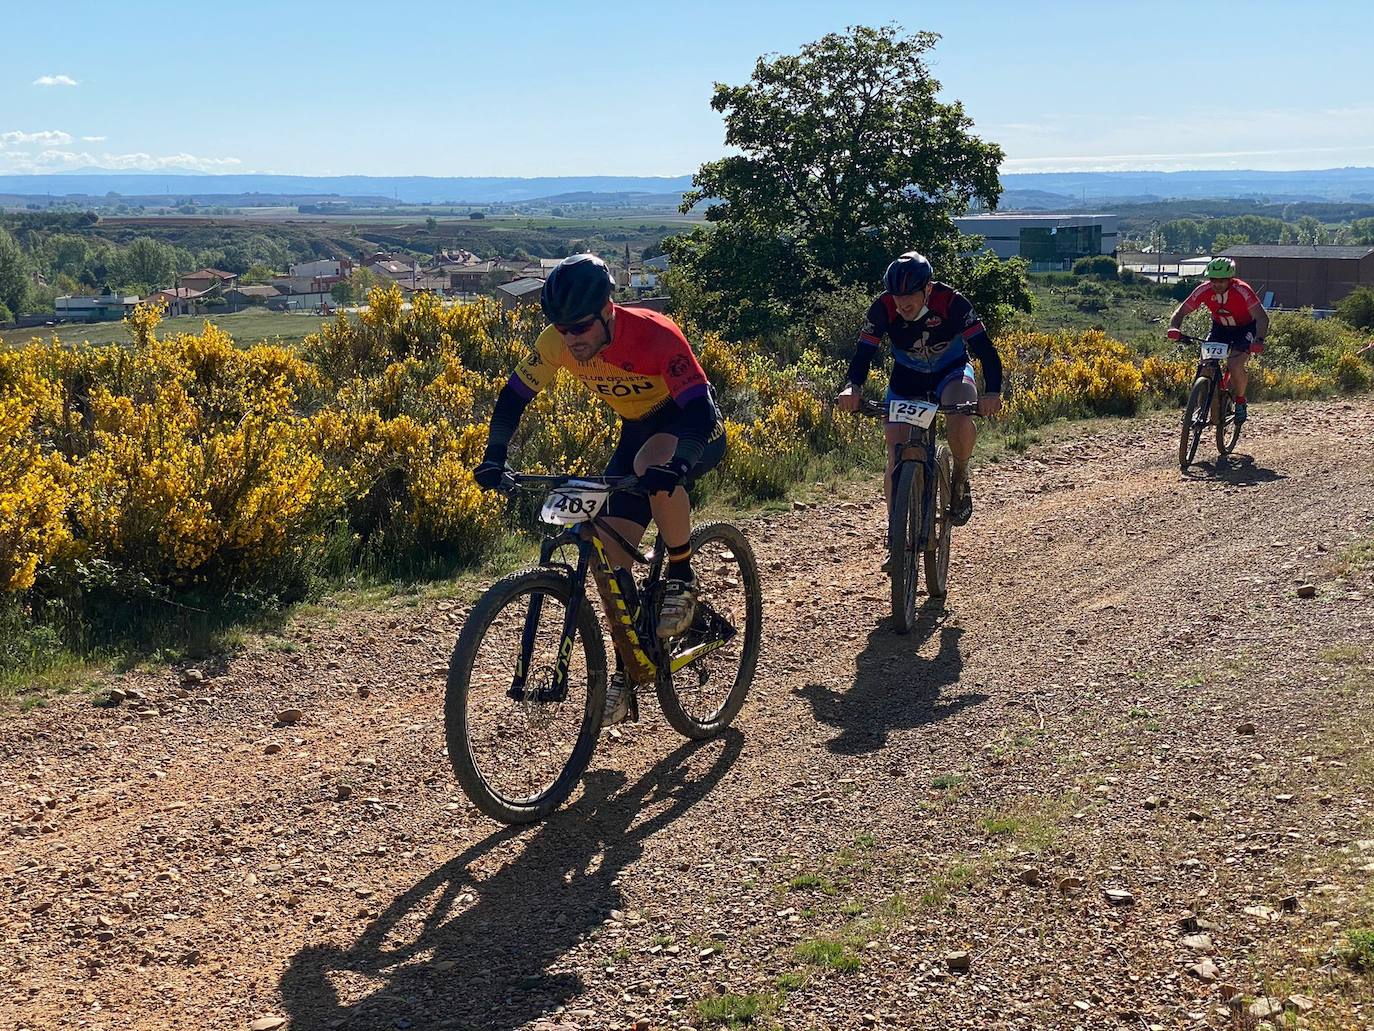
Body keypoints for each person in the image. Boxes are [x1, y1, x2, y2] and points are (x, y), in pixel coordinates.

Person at [473, 253, 726, 725]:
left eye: (581, 327)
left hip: (691, 427)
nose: (573, 338)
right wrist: (495, 455)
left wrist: (680, 463)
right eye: (563, 328)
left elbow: (700, 410)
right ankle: (631, 667)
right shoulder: (557, 342)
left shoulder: (655, 335)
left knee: (653, 464)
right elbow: (512, 398)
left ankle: (683, 576)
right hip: (636, 431)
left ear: (609, 310)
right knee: (608, 549)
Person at [836, 251, 1004, 543]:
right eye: (896, 296)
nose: (902, 303)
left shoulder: (951, 302)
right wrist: (853, 386)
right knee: (894, 450)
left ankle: (961, 475)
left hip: (950, 372)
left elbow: (985, 350)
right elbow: (864, 352)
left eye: (910, 295)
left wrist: (991, 393)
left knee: (960, 412)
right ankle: (896, 534)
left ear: (927, 288)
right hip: (908, 377)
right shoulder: (883, 307)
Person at [1166, 256, 1268, 424]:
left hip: (1244, 329)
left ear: (1230, 279)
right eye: (1213, 279)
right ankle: (1201, 407)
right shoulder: (1203, 290)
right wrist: (1174, 327)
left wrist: (1259, 339)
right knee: (1205, 366)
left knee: (1234, 365)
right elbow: (1181, 311)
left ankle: (1240, 401)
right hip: (1220, 329)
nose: (1217, 284)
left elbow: (1262, 317)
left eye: (1222, 280)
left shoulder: (1242, 290)